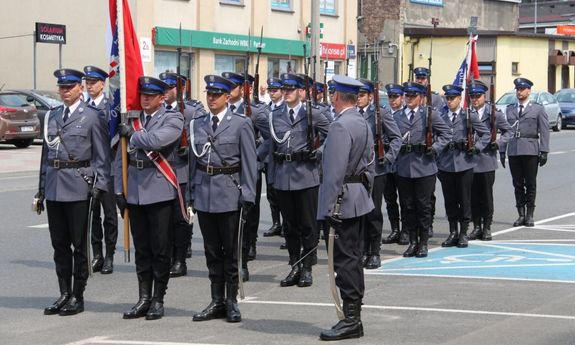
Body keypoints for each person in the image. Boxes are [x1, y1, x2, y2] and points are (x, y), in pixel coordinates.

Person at [37, 68, 110, 316]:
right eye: (62, 88)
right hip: (55, 187)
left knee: (79, 245)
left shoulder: (92, 116)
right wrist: (40, 189)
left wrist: (100, 186)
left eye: (69, 87)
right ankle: (64, 293)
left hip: (79, 186)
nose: (65, 91)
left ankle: (78, 295)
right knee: (59, 245)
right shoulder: (53, 115)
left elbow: (102, 157)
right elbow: (46, 156)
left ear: (80, 88)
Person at [190, 75, 257, 323]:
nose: (211, 98)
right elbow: (193, 163)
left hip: (229, 193)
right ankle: (216, 300)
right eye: (209, 94)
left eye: (216, 95)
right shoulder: (198, 124)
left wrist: (248, 194)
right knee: (211, 252)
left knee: (230, 252)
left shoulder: (240, 124)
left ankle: (231, 301)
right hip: (205, 194)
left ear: (227, 97)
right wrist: (191, 193)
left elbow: (250, 162)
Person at [116, 76, 184, 320]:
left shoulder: (173, 118)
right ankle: (143, 298)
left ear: (161, 97)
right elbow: (119, 158)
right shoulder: (132, 120)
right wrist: (118, 189)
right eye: (142, 94)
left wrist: (132, 136)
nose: (145, 98)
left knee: (160, 249)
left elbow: (157, 140)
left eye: (150, 95)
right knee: (142, 249)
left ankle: (158, 298)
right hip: (134, 192)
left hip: (158, 192)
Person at [317, 75, 374, 341]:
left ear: (337, 96)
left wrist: (326, 209)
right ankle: (354, 317)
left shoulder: (340, 126)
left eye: (332, 94)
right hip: (357, 197)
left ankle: (351, 319)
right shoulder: (361, 121)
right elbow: (370, 164)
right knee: (353, 258)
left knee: (345, 261)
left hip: (341, 202)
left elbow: (333, 173)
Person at [269, 73, 330, 288]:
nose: (285, 93)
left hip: (306, 175)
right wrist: (271, 177)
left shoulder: (313, 114)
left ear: (301, 92)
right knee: (290, 226)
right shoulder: (275, 115)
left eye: (290, 89)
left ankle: (307, 267)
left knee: (308, 225)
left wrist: (319, 151)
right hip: (283, 176)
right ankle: (294, 264)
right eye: (283, 89)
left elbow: (332, 135)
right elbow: (271, 147)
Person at [221, 71, 270, 280]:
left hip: (249, 170)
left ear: (242, 89)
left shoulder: (255, 112)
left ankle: (248, 247)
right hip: (228, 172)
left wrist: (255, 156)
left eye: (232, 87)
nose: (228, 91)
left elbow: (270, 138)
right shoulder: (219, 110)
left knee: (249, 213)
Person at [393, 82, 451, 258]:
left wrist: (434, 148)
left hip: (425, 166)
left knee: (423, 206)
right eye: (407, 96)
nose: (409, 99)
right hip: (404, 166)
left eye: (412, 96)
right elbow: (391, 138)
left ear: (420, 98)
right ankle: (412, 241)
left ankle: (423, 242)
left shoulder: (429, 115)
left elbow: (446, 134)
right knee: (408, 206)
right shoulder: (397, 116)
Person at [159, 72, 206, 278]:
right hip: (161, 171)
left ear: (180, 89)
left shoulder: (193, 110)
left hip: (183, 172)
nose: (165, 92)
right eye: (164, 88)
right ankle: (167, 256)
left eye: (169, 87)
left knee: (181, 218)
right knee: (165, 220)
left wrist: (190, 147)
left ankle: (180, 259)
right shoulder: (157, 111)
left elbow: (203, 134)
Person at [437, 84, 490, 248]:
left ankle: (463, 232)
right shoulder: (441, 116)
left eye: (453, 98)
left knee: (465, 200)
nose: (450, 101)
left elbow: (486, 134)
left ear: (460, 99)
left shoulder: (469, 116)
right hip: (446, 164)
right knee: (450, 201)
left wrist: (476, 148)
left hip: (464, 163)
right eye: (448, 98)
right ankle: (453, 231)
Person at [357, 79, 401, 269]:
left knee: (373, 212)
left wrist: (388, 157)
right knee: (358, 212)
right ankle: (361, 249)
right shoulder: (351, 114)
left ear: (369, 96)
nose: (358, 99)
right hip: (356, 171)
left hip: (376, 169)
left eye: (361, 95)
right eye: (356, 95)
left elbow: (396, 138)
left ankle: (374, 251)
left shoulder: (380, 113)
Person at [500, 78, 550, 227]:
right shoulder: (510, 109)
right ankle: (520, 214)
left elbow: (544, 130)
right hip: (514, 150)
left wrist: (544, 150)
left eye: (522, 89)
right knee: (517, 184)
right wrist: (502, 150)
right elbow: (505, 131)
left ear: (529, 91)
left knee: (530, 183)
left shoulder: (538, 109)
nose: (519, 92)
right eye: (517, 89)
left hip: (530, 150)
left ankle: (529, 214)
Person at [468, 80, 513, 241]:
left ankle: (487, 227)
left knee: (486, 196)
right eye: (472, 96)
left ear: (484, 96)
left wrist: (498, 143)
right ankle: (476, 226)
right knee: (472, 196)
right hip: (469, 161)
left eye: (477, 96)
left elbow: (508, 132)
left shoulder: (494, 113)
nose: (475, 99)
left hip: (486, 160)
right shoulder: (467, 113)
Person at [83, 65, 118, 274]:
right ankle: (97, 254)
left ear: (102, 84)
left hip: (109, 167)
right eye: (87, 83)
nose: (90, 86)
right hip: (88, 169)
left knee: (110, 216)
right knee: (92, 214)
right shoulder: (83, 107)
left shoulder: (111, 108)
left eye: (93, 83)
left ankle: (110, 256)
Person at [413, 67, 445, 238]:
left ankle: (428, 223)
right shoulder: (410, 96)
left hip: (429, 153)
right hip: (413, 155)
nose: (420, 80)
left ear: (427, 79)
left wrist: (436, 147)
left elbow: (441, 124)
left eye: (422, 78)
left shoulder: (436, 99)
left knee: (427, 195)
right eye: (418, 77)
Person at [381, 83, 408, 246]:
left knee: (405, 199)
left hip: (402, 161)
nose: (392, 100)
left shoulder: (406, 115)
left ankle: (405, 231)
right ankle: (395, 229)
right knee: (390, 199)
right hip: (387, 162)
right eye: (390, 97)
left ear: (402, 98)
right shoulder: (383, 113)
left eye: (395, 97)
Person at [262, 77, 286, 238]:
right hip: (268, 158)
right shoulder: (265, 108)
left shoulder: (285, 108)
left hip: (281, 158)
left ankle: (286, 224)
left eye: (275, 90)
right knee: (271, 194)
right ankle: (276, 222)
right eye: (270, 90)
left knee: (282, 193)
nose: (272, 93)